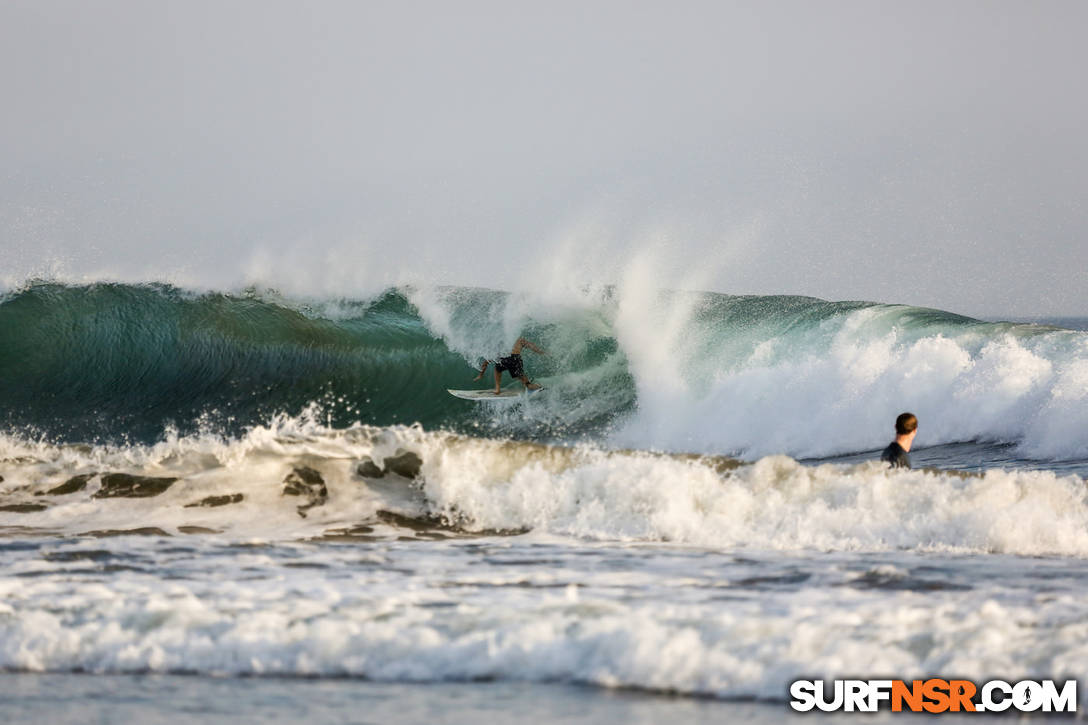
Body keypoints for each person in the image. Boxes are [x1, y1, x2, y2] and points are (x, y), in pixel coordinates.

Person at [474, 337, 546, 395]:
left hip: (504, 359)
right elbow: (531, 346)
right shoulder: (519, 339)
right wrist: (542, 352)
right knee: (527, 384)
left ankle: (497, 388)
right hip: (516, 359)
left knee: (497, 369)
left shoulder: (501, 339)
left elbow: (490, 359)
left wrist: (481, 374)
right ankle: (538, 387)